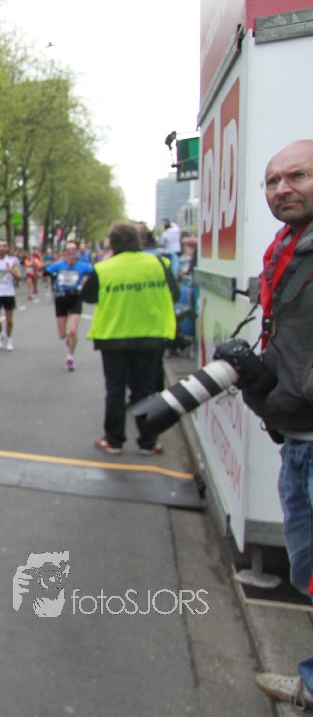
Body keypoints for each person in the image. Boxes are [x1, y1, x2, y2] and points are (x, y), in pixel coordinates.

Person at [246, 141, 313, 709]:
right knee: (308, 571)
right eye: (272, 181)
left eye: (297, 176)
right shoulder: (286, 248)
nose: (282, 189)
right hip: (296, 438)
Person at [80, 222, 179, 455]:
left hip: (113, 337)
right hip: (150, 335)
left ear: (112, 243)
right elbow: (173, 294)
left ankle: (114, 440)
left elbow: (88, 296)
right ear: (138, 241)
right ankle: (148, 441)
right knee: (145, 390)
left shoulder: (104, 268)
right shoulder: (158, 264)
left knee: (115, 390)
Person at [44, 242, 94, 371]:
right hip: (61, 299)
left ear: (77, 252)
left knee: (72, 330)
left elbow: (95, 273)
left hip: (75, 298)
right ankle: (68, 339)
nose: (71, 252)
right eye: (68, 250)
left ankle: (70, 357)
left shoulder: (83, 266)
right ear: (65, 252)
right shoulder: (58, 265)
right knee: (62, 335)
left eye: (73, 249)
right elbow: (44, 272)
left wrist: (87, 285)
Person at [0, 240, 22, 351]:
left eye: (4, 246)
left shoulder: (12, 260)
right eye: (0, 246)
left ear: (7, 248)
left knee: (9, 320)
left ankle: (9, 339)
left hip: (8, 292)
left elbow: (19, 277)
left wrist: (11, 271)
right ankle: (0, 333)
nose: (2, 248)